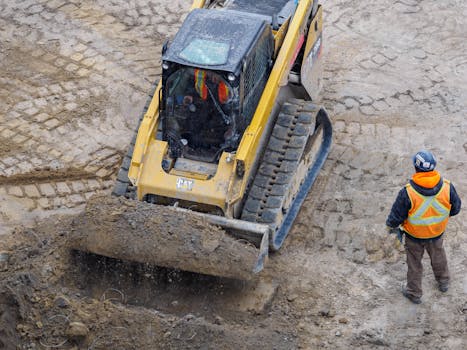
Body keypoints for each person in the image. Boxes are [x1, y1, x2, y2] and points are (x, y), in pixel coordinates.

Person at [386, 150, 461, 304]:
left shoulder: (407, 192)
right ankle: (444, 282)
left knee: (414, 263)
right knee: (438, 256)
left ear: (416, 167)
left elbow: (395, 217)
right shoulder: (447, 187)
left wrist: (391, 227)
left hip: (414, 237)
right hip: (437, 233)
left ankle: (414, 292)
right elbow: (456, 208)